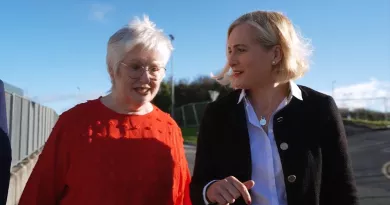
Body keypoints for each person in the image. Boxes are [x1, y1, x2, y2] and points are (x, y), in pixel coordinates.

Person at [19, 15, 192, 205]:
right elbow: (39, 195)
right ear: (112, 70)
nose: (145, 78)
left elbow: (183, 197)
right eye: (135, 67)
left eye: (154, 69)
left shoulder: (169, 128)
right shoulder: (75, 123)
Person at [190, 11, 358, 205]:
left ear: (276, 54)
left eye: (241, 50)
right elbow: (199, 187)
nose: (231, 60)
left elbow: (343, 191)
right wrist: (210, 190)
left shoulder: (320, 108)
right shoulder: (217, 114)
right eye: (229, 51)